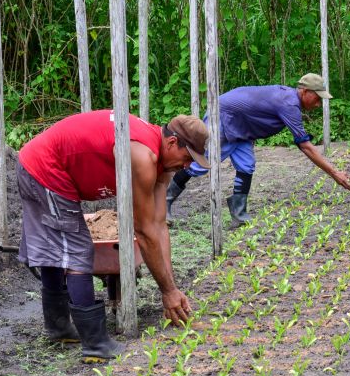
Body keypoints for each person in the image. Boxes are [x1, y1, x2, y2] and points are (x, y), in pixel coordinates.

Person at [16, 110, 209, 362]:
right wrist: (167, 291)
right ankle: (95, 344)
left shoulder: (161, 162)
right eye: (187, 157)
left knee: (59, 247)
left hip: (47, 167)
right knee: (76, 251)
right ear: (172, 142)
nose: (187, 166)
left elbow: (158, 225)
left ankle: (59, 328)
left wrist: (171, 288)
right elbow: (143, 230)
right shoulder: (142, 156)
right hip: (44, 167)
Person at [166, 73, 350, 225]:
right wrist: (334, 173)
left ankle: (239, 215)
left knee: (247, 165)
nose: (318, 103)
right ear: (305, 91)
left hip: (242, 126)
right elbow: (305, 146)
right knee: (201, 164)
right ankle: (163, 203)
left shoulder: (289, 98)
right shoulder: (289, 104)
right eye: (317, 98)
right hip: (223, 116)